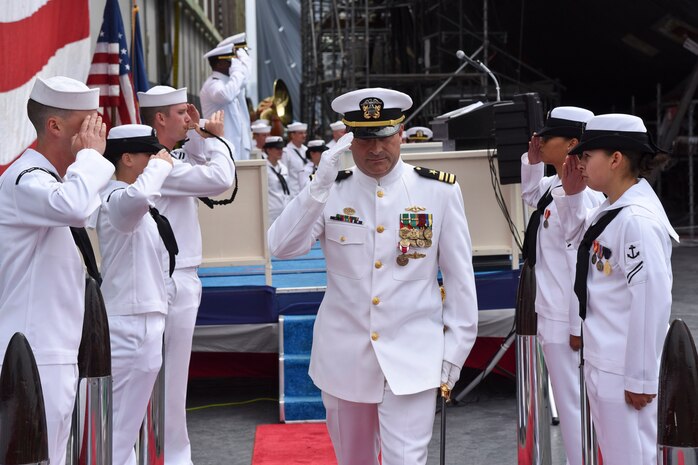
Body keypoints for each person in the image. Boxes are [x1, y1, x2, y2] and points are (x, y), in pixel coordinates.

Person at [268, 88, 479, 465]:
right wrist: (317, 185)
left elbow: (461, 280)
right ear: (349, 139)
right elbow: (281, 246)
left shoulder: (438, 191)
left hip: (413, 357)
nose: (375, 148)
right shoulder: (331, 189)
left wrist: (455, 353)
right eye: (364, 138)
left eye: (384, 135)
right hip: (344, 359)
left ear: (401, 132)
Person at [0, 76, 115, 465]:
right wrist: (91, 158)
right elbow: (76, 207)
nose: (97, 133)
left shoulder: (58, 182)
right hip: (30, 356)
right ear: (55, 126)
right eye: (87, 124)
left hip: (57, 353)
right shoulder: (25, 180)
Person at [555, 113, 678, 465]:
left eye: (587, 156)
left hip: (625, 369)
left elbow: (651, 298)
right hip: (605, 361)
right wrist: (573, 196)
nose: (580, 163)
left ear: (615, 159)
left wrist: (640, 378)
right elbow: (579, 248)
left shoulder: (636, 219)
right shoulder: (612, 209)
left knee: (633, 458)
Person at [138, 85, 235, 465]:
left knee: (170, 377)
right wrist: (212, 138)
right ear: (159, 118)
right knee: (163, 377)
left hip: (173, 276)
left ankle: (166, 454)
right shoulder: (154, 160)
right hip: (165, 278)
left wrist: (196, 133)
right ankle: (165, 455)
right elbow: (219, 179)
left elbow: (201, 168)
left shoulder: (166, 157)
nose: (190, 117)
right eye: (181, 112)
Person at [520, 106, 603, 465]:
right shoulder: (555, 185)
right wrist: (533, 160)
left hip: (566, 319)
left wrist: (576, 326)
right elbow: (530, 196)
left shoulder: (583, 195)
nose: (540, 140)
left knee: (574, 407)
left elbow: (579, 266)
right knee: (570, 403)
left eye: (548, 137)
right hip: (549, 312)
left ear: (572, 143)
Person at [91, 124, 174, 465]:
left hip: (143, 320)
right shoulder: (115, 199)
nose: (158, 159)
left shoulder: (131, 202)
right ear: (126, 158)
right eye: (150, 154)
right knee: (119, 429)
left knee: (126, 427)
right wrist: (161, 167)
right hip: (128, 325)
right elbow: (138, 198)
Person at [199, 32, 252, 160]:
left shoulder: (228, 83)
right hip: (222, 150)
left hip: (234, 148)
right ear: (220, 64)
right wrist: (237, 72)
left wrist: (241, 66)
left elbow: (244, 80)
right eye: (230, 61)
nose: (233, 64)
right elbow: (226, 95)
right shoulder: (213, 84)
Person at [263, 136, 291, 224]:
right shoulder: (263, 168)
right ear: (268, 150)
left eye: (281, 148)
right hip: (270, 214)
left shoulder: (283, 168)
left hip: (285, 212)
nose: (280, 151)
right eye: (277, 148)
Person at [281, 121, 308, 197]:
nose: (304, 135)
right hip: (293, 194)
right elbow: (285, 175)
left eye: (305, 133)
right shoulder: (286, 152)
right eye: (300, 133)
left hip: (306, 192)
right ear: (292, 135)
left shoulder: (306, 150)